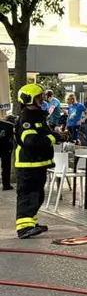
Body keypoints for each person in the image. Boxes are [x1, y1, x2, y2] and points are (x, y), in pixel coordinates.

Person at [13, 84, 67, 239]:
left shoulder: (38, 115)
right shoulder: (27, 118)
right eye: (38, 97)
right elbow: (30, 140)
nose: (41, 100)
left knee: (37, 195)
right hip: (28, 164)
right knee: (27, 195)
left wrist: (59, 135)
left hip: (38, 163)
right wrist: (54, 137)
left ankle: (31, 222)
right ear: (28, 99)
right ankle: (23, 228)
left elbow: (43, 134)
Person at [0, 114, 14, 191]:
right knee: (6, 167)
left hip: (6, 147)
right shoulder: (10, 126)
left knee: (6, 167)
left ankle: (6, 185)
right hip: (6, 148)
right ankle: (6, 185)